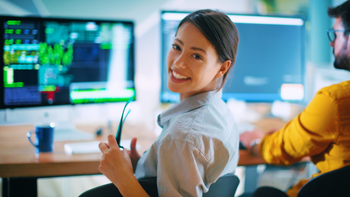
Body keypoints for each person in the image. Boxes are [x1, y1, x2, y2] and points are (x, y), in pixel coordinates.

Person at [80, 9, 240, 197]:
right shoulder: (222, 113)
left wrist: (123, 178)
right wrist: (150, 166)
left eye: (196, 56)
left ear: (222, 67)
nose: (178, 63)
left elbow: (184, 143)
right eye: (177, 47)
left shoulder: (182, 137)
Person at [239, 1, 350, 197]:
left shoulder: (335, 101)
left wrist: (255, 141)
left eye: (335, 34)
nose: (331, 42)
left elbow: (281, 150)